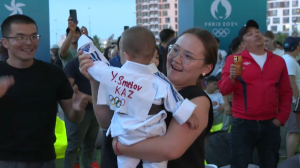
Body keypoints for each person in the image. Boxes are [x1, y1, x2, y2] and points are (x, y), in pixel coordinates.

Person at [79, 27, 217, 168]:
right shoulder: (143, 81)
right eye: (175, 49)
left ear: (206, 68)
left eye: (188, 56)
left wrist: (121, 147)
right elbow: (106, 122)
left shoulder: (197, 100)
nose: (176, 59)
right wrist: (95, 80)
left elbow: (170, 149)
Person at [0, 14, 88, 168]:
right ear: (5, 42)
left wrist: (78, 109)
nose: (29, 42)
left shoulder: (53, 73)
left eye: (34, 36)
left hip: (44, 159)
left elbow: (74, 117)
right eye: (20, 37)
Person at [218, 20, 293, 168]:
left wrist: (280, 118)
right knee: (239, 163)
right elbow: (224, 90)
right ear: (243, 43)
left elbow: (286, 92)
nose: (256, 35)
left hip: (270, 124)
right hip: (242, 124)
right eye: (249, 34)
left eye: (257, 32)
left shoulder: (278, 61)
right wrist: (231, 78)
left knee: (270, 163)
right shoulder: (235, 60)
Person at [64, 57, 100, 168]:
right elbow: (67, 88)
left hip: (95, 110)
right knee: (74, 145)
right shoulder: (72, 65)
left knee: (90, 145)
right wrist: (88, 98)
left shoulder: (97, 65)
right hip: (80, 111)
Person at [281, 37, 300, 159]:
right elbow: (290, 81)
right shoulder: (290, 61)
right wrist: (298, 100)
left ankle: (289, 159)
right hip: (294, 102)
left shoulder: (286, 59)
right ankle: (290, 160)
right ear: (297, 46)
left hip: (291, 101)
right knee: (294, 131)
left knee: (292, 131)